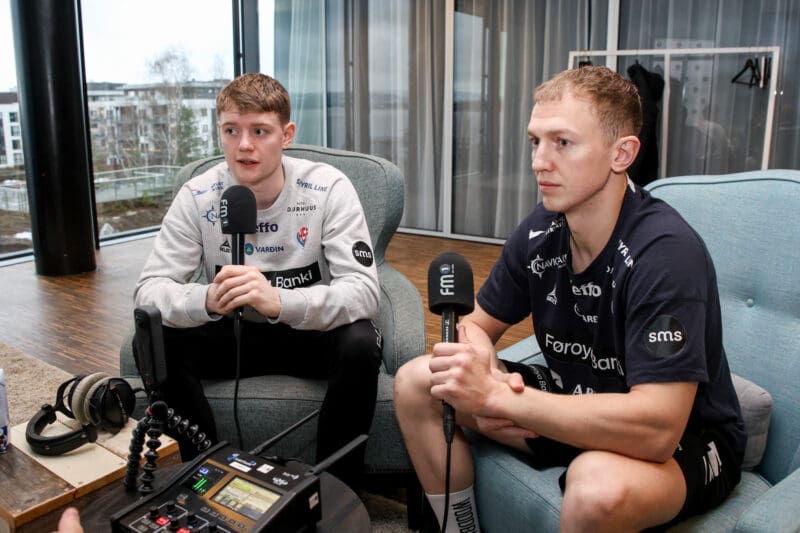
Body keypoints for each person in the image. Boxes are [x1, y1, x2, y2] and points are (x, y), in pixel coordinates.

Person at [394, 66, 745, 531]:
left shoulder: (666, 253)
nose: (539, 162)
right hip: (573, 398)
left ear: (622, 153)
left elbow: (658, 427)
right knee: (418, 381)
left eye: (562, 142)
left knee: (596, 487)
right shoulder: (539, 231)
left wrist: (500, 400)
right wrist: (485, 370)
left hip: (686, 436)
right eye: (535, 142)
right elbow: (475, 324)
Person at [133, 73, 382, 488]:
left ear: (287, 135)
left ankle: (336, 491)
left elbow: (365, 292)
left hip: (307, 333)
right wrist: (206, 299)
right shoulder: (198, 195)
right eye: (231, 131)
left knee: (360, 340)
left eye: (260, 131)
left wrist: (281, 301)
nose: (244, 145)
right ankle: (203, 477)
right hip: (232, 333)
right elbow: (149, 291)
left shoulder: (327, 188)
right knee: (154, 338)